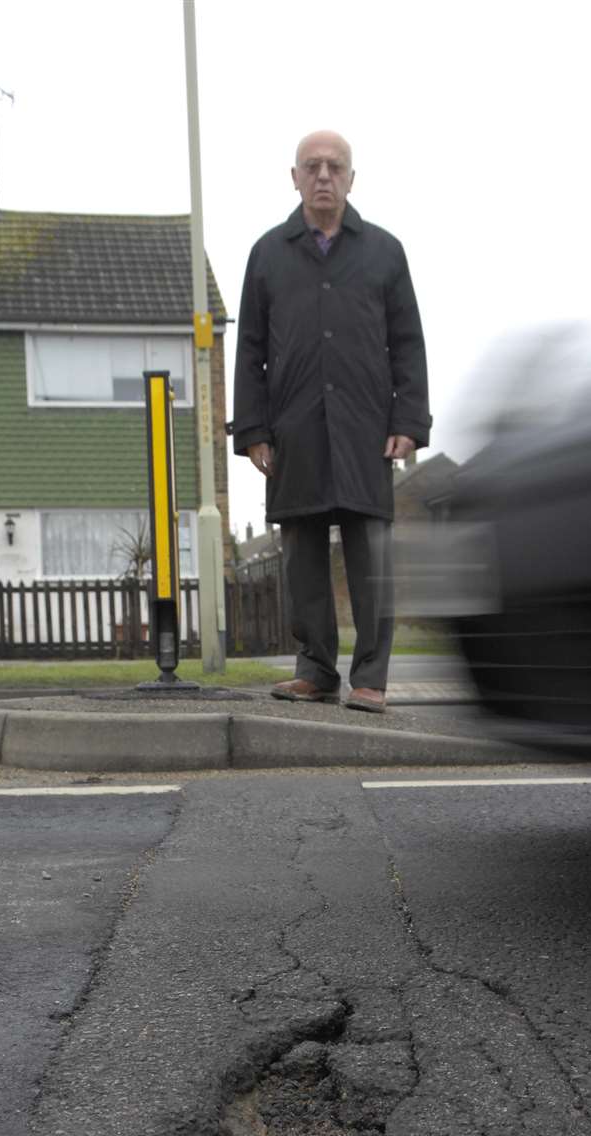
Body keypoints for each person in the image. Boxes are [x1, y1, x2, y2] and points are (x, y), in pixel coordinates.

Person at [232, 130, 431, 712]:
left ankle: (370, 678)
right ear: (293, 178)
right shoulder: (267, 254)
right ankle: (316, 670)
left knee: (371, 557)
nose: (324, 176)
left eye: (335, 166)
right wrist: (254, 431)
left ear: (351, 178)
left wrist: (409, 418)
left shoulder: (385, 253)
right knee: (303, 559)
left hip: (367, 428)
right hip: (294, 429)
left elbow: (408, 343)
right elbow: (249, 349)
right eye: (312, 166)